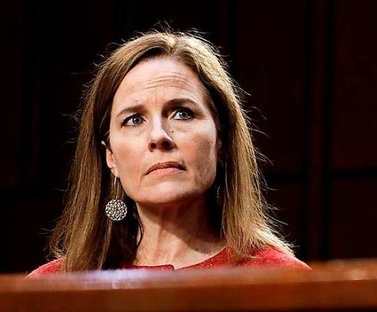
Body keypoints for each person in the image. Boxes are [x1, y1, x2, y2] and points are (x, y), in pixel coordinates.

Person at [29, 28, 308, 275]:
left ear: (221, 141)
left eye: (182, 113)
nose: (159, 136)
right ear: (110, 157)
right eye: (134, 119)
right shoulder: (50, 289)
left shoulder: (282, 281)